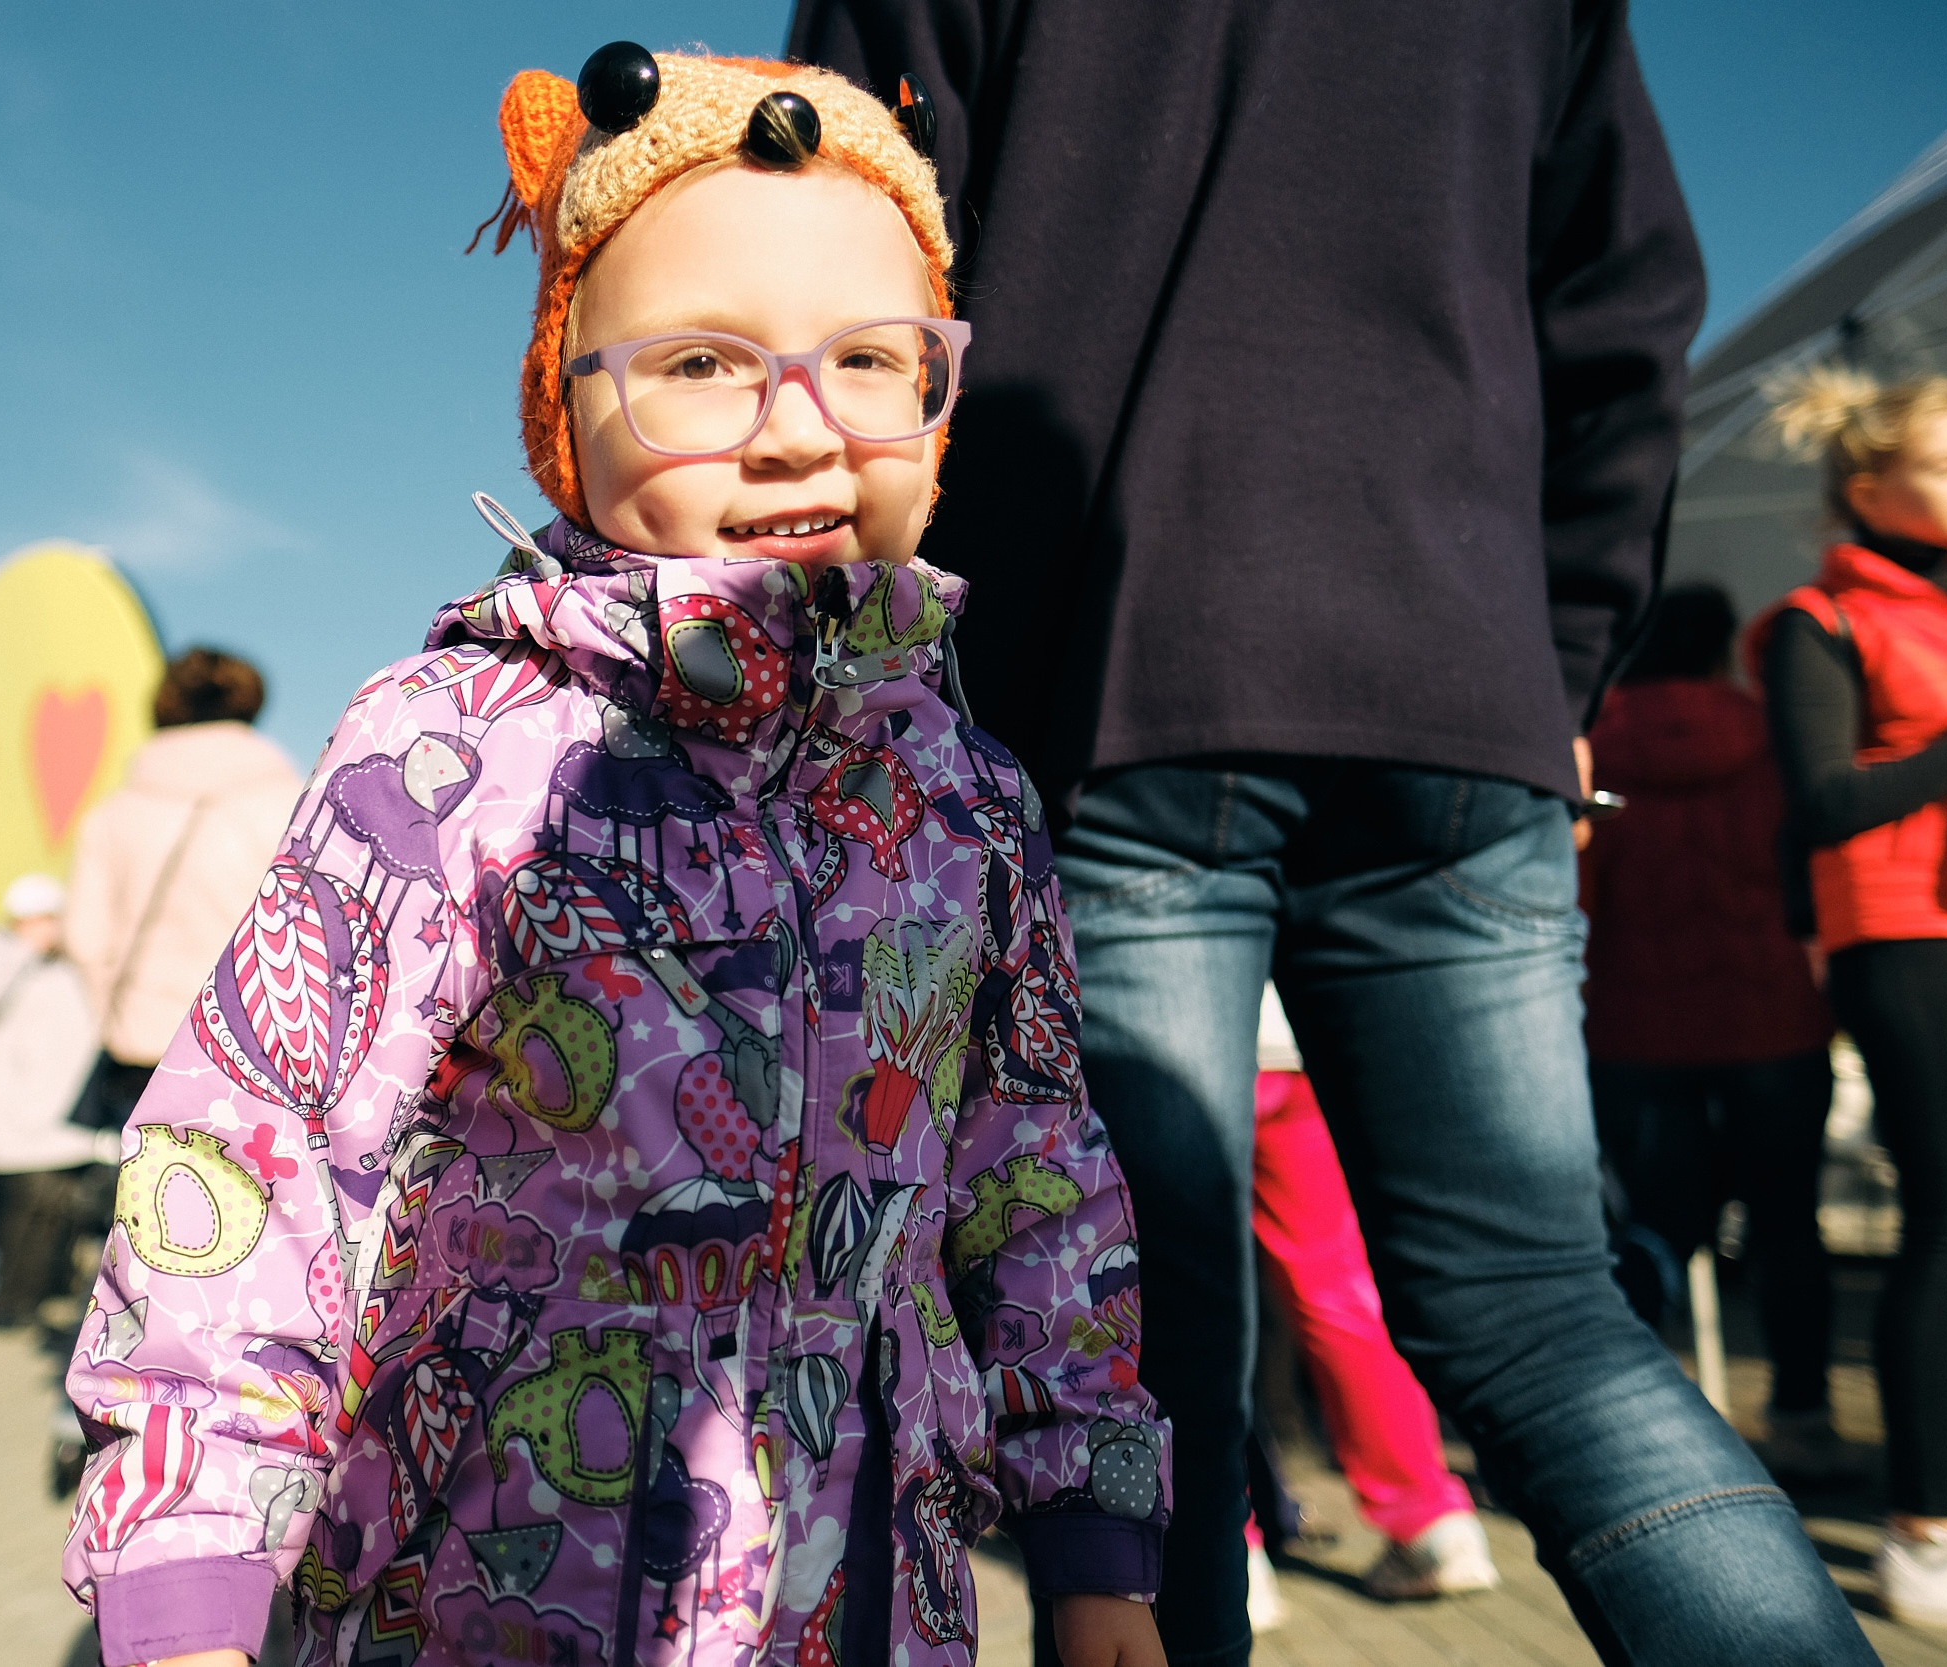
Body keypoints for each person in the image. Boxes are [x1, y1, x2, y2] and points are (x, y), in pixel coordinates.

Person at [59, 48, 1170, 1667]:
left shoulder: (966, 797)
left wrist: (1095, 1529)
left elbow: (1038, 1169)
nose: (799, 433)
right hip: (493, 1589)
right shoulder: (448, 751)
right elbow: (264, 1152)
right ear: (564, 409)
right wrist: (190, 1560)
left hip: (867, 1597)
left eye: (872, 359)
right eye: (702, 364)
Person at [791, 3, 1875, 1662]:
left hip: (1115, 682)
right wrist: (1556, 655)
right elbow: (1627, 303)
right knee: (1544, 1316)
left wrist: (907, 683)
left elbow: (833, 246)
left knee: (1150, 1338)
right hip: (1458, 684)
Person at [1756, 364, 1947, 1630]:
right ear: (1866, 484)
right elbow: (1825, 800)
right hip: (1904, 932)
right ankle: (1926, 1525)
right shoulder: (1817, 616)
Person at [1580, 584, 1843, 1475]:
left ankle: (1624, 1424)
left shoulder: (1599, 746)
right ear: (1724, 644)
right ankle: (1804, 1415)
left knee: (1649, 1230)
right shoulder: (1772, 735)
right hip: (1774, 1021)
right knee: (1788, 1225)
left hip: (1635, 1031)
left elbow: (1582, 899)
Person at [1247, 994, 1498, 1618]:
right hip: (1295, 1036)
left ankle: (1224, 1558)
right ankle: (1432, 1523)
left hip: (1179, 1032)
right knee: (1337, 1284)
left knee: (1190, 1290)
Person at [62, 647, 302, 1127]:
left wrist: (123, 1019)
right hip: (259, 1052)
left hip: (142, 1057)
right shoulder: (290, 801)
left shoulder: (112, 814)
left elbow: (84, 939)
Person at [0, 873, 109, 1330]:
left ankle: (66, 1299)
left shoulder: (79, 964)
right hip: (19, 1122)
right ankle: (15, 1305)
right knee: (26, 1221)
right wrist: (23, 949)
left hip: (74, 1116)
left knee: (77, 1212)